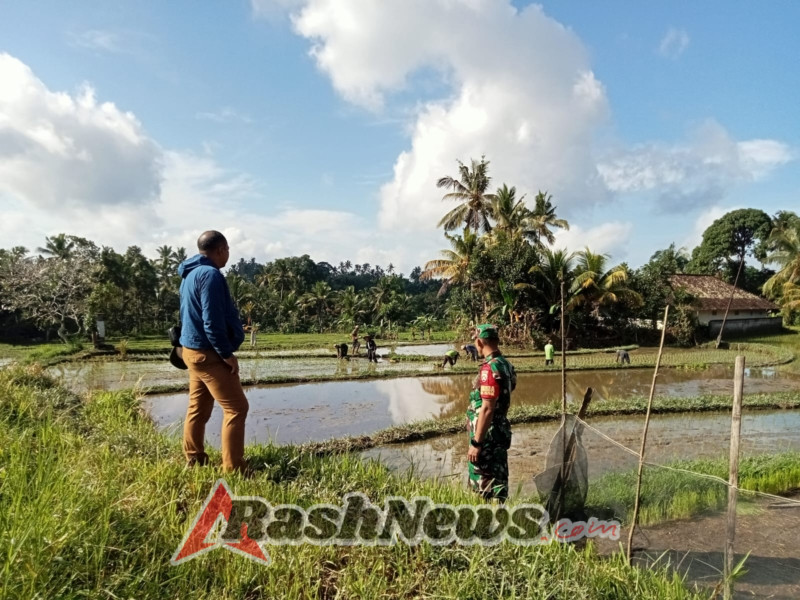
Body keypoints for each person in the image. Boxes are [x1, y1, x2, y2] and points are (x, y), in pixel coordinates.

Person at [178, 230, 248, 473]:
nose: (228, 254)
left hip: (192, 351)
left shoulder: (189, 274)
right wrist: (227, 354)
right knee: (237, 408)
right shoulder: (210, 276)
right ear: (221, 250)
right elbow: (212, 322)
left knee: (198, 407)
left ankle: (194, 457)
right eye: (228, 250)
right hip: (209, 354)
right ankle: (234, 467)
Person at [467, 324, 516, 502]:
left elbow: (487, 408)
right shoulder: (506, 365)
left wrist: (476, 442)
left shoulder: (489, 369)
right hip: (499, 429)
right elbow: (504, 400)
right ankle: (500, 515)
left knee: (483, 482)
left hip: (487, 435)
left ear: (479, 342)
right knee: (498, 476)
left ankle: (486, 520)